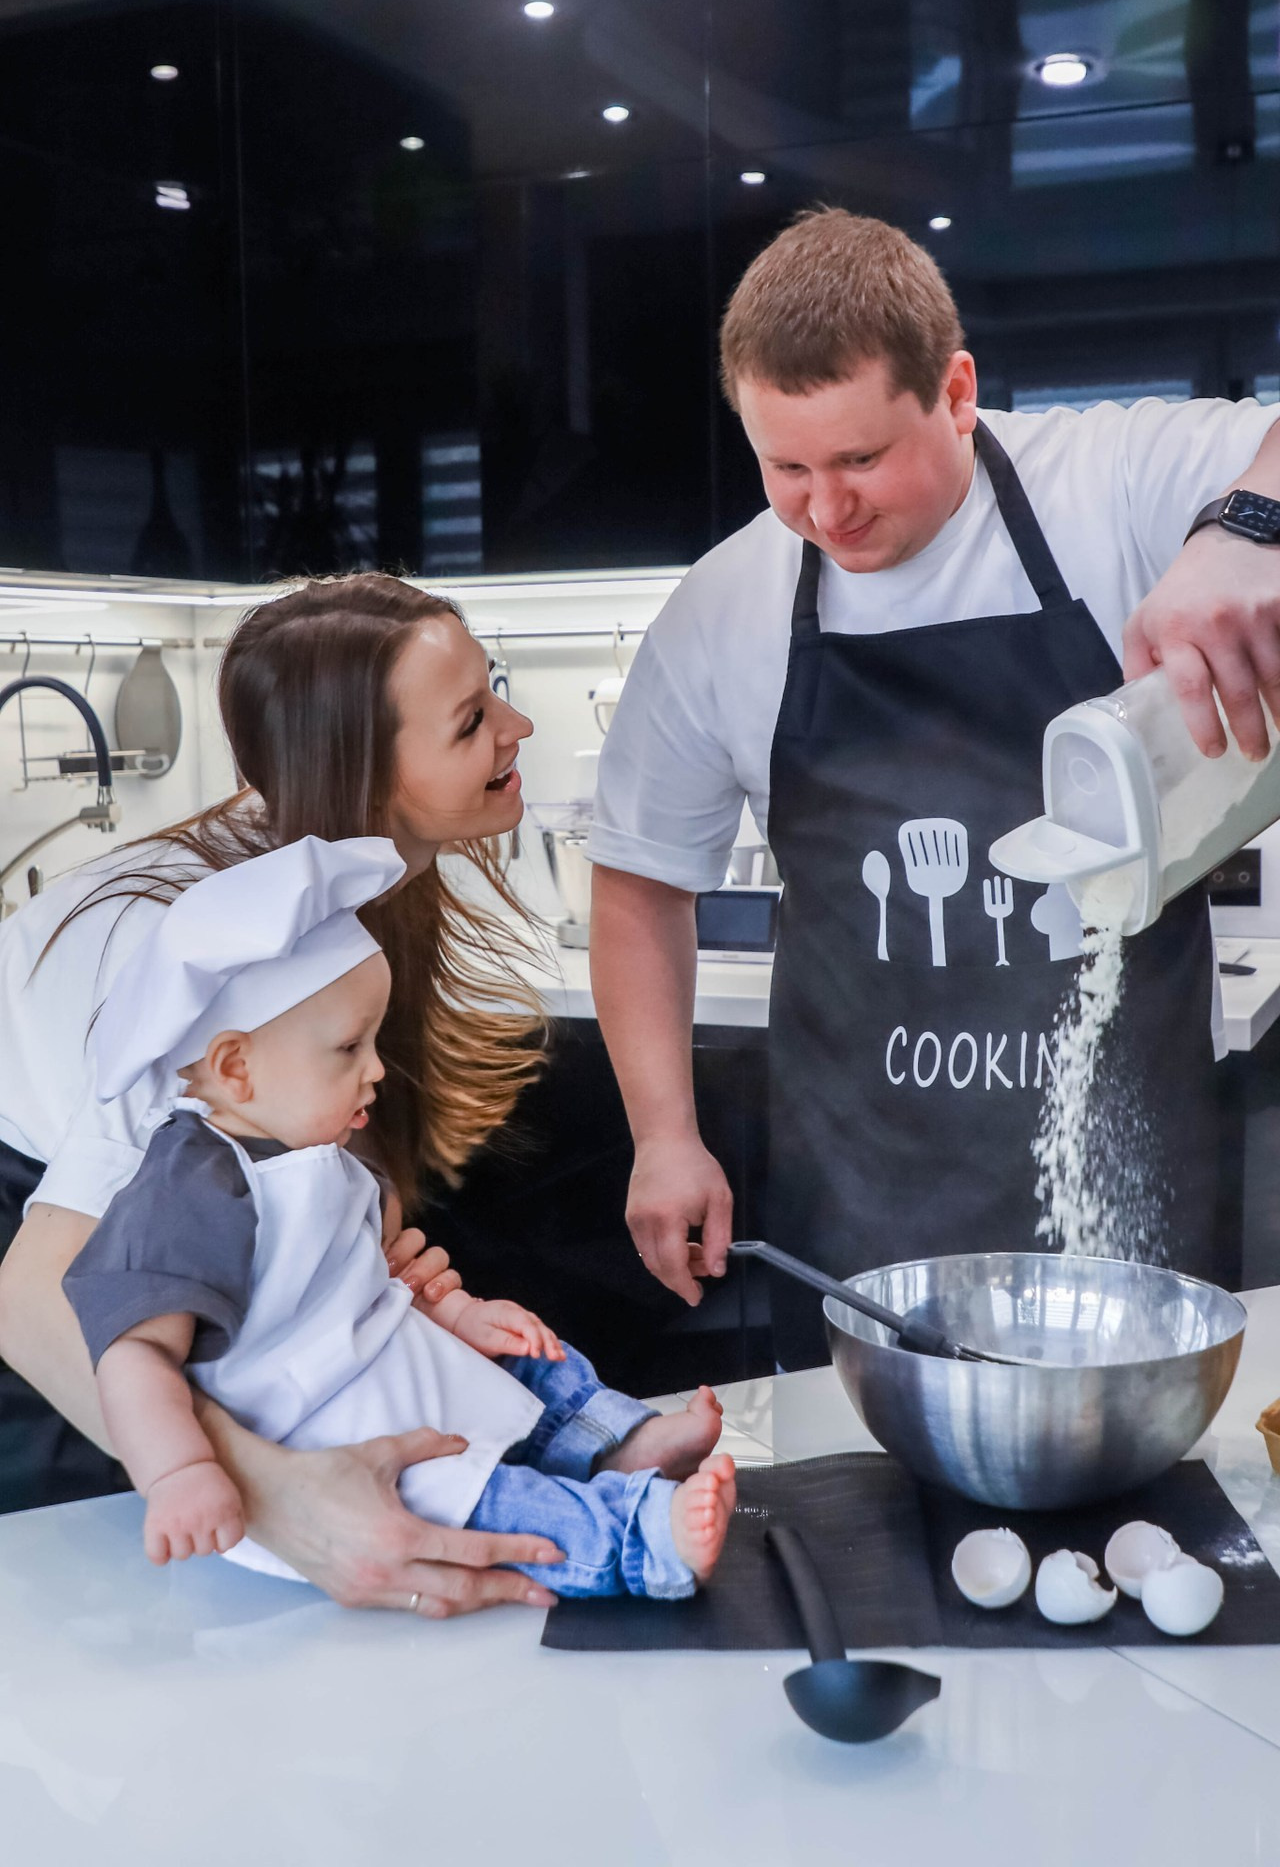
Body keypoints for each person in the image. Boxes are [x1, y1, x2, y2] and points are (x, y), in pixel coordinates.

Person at [587, 209, 1280, 1369]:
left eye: (860, 459)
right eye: (785, 466)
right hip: (862, 1191)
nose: (825, 508)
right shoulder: (724, 607)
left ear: (955, 391)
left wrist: (1247, 529)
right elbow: (639, 881)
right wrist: (663, 1137)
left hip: (1128, 1164)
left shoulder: (1103, 483)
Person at [0, 574, 570, 1615]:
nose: (516, 727)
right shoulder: (176, 965)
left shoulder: (348, 876)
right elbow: (33, 1299)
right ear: (360, 770)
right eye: (471, 720)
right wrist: (283, 1503)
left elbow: (301, 1151)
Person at [63, 836, 735, 1599]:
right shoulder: (186, 1189)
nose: (377, 1068)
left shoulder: (318, 1157)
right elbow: (132, 1355)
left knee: (534, 1364)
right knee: (490, 1506)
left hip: (391, 1363)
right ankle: (637, 1536)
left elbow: (377, 1285)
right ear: (234, 1067)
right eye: (348, 1047)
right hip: (330, 1425)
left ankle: (623, 1441)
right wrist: (180, 1474)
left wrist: (462, 1316)